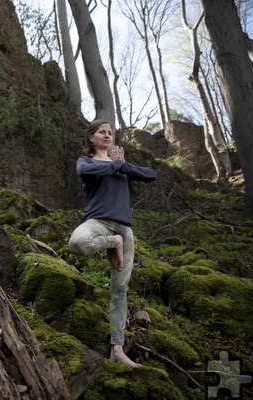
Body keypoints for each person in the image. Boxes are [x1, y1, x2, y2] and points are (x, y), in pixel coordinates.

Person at [68, 119, 156, 369]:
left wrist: (122, 165)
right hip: (97, 222)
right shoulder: (86, 162)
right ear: (91, 138)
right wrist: (115, 165)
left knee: (120, 290)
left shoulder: (122, 166)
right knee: (77, 243)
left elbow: (151, 175)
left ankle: (117, 349)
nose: (107, 135)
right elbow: (86, 173)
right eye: (101, 132)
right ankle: (111, 243)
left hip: (124, 229)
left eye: (110, 132)